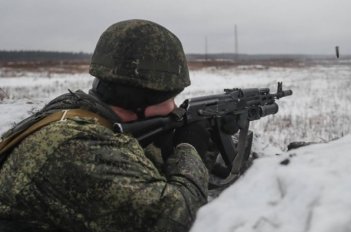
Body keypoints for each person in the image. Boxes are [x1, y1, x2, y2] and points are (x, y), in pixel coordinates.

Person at [0, 19, 210, 232]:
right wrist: (190, 150)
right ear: (139, 100)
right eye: (169, 98)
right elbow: (179, 220)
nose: (174, 107)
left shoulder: (74, 113)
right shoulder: (80, 147)